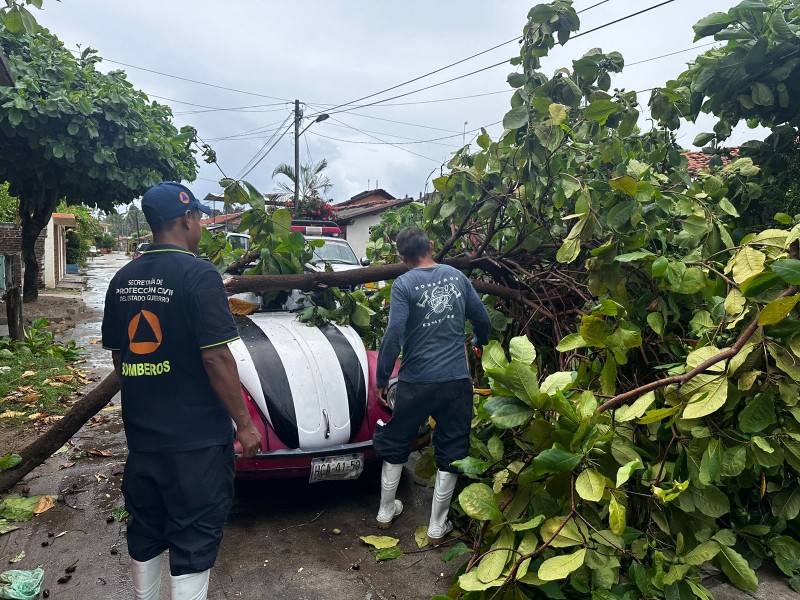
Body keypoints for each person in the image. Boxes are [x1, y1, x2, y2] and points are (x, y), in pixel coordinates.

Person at [101, 182, 261, 600]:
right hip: (196, 442)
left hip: (144, 438)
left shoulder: (122, 279)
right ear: (187, 219)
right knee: (195, 535)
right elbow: (217, 359)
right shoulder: (199, 274)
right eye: (200, 219)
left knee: (147, 527)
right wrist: (244, 425)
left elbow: (121, 359)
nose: (202, 226)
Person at [373, 226, 490, 545]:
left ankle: (386, 512)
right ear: (432, 246)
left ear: (402, 257)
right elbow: (482, 319)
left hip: (415, 382)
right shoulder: (457, 276)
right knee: (452, 448)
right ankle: (437, 527)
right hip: (455, 382)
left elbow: (393, 333)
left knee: (397, 440)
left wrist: (383, 378)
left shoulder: (403, 284)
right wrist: (481, 341)